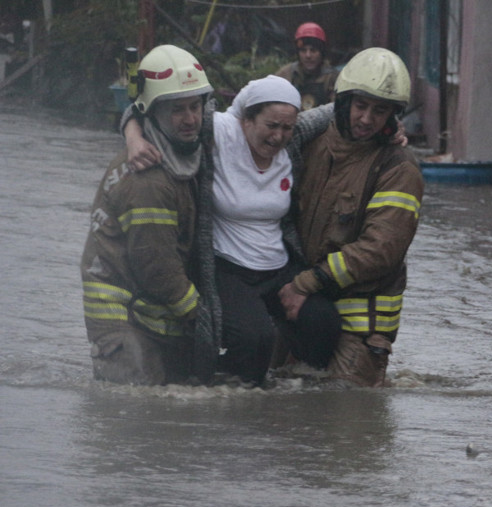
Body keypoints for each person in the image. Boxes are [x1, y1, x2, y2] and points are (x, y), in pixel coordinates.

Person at [123, 76, 342, 387]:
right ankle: (225, 405)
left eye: (286, 128)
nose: (279, 136)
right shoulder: (218, 129)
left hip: (278, 265)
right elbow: (145, 109)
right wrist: (133, 137)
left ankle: (296, 396)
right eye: (271, 126)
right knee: (254, 341)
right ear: (247, 119)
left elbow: (341, 109)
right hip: (227, 266)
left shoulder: (293, 136)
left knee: (324, 323)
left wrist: (391, 130)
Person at [277, 47, 424, 387]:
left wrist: (306, 282)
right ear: (342, 102)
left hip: (359, 332)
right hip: (302, 311)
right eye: (360, 105)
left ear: (393, 115)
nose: (367, 119)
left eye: (380, 110)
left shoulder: (398, 168)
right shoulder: (313, 144)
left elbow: (380, 250)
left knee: (347, 421)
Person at [80, 45, 217, 385]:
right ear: (152, 113)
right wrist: (203, 320)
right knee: (140, 416)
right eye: (177, 110)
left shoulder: (173, 150)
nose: (190, 119)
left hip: (148, 312)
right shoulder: (148, 179)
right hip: (123, 322)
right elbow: (157, 267)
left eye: (195, 106)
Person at [275, 22, 338, 111]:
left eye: (313, 50)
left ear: (321, 53)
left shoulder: (332, 78)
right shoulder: (286, 74)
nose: (308, 55)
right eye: (303, 50)